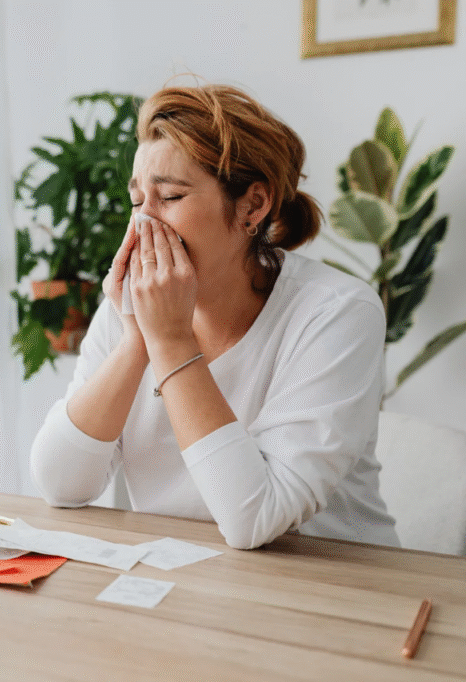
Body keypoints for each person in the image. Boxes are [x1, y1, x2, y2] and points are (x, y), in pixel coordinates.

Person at [29, 83, 398, 550]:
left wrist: (172, 343)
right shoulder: (131, 308)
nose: (144, 224)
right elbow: (61, 485)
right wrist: (137, 341)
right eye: (138, 200)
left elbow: (257, 519)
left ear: (253, 206)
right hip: (189, 584)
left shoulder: (337, 313)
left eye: (171, 197)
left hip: (338, 591)